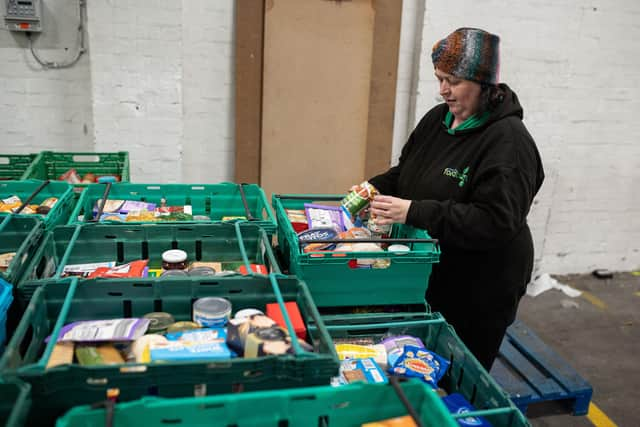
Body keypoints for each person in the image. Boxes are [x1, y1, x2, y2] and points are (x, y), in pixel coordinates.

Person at [367, 27, 544, 370]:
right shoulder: (439, 119)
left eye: (453, 80)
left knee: (462, 369)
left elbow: (495, 222)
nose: (443, 90)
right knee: (425, 362)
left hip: (483, 285)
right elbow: (406, 173)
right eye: (439, 78)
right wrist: (372, 189)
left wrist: (415, 212)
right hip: (438, 269)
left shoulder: (508, 142)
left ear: (483, 83)